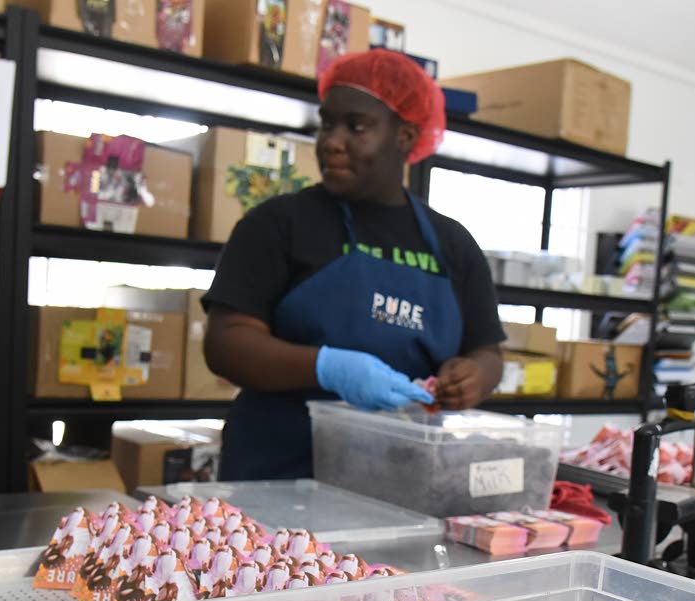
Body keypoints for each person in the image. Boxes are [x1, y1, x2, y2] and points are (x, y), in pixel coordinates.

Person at [203, 49, 505, 481]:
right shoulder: (277, 223)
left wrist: (474, 376)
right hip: (278, 476)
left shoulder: (453, 243)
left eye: (355, 126)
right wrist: (327, 366)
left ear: (404, 135)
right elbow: (225, 343)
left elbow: (487, 351)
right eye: (327, 124)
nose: (331, 141)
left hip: (403, 479)